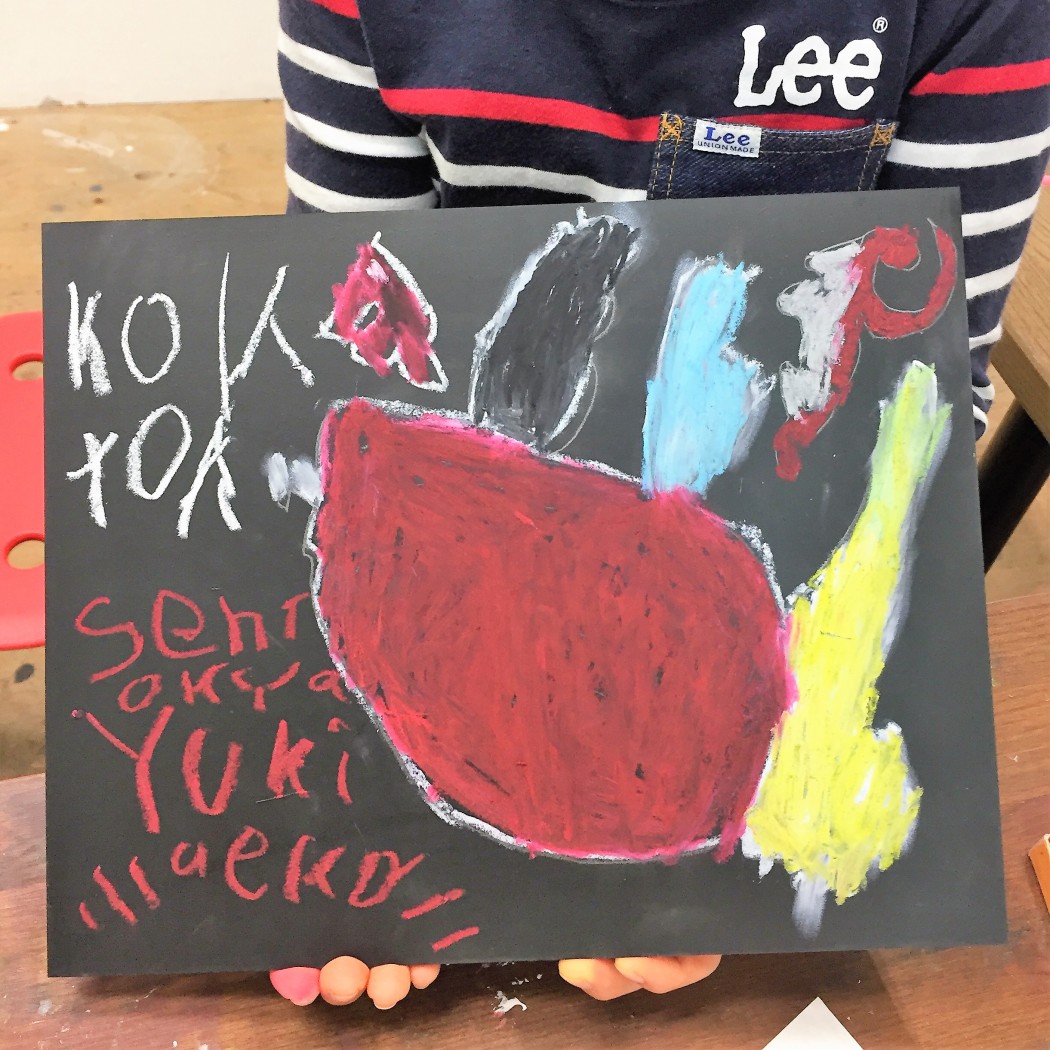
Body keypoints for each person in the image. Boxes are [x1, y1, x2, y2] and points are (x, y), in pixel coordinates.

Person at [272, 0, 1050, 1009]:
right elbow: (351, 305)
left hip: (731, 711)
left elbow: (933, 378)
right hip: (483, 648)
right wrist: (346, 843)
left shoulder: (974, 13)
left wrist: (719, 893)